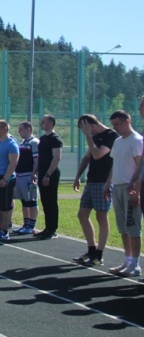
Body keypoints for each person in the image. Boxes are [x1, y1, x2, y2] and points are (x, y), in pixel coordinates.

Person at [72, 114, 118, 266]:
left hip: (103, 182)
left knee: (101, 217)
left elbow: (98, 155)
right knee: (82, 215)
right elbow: (88, 157)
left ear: (91, 126)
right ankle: (91, 250)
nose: (86, 133)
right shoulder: (95, 138)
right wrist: (78, 175)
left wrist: (88, 137)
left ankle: (99, 253)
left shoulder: (111, 136)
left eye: (86, 129)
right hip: (91, 181)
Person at [104, 109, 143, 276]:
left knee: (133, 226)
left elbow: (140, 168)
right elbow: (115, 165)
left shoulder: (137, 141)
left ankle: (135, 263)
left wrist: (137, 191)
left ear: (127, 121)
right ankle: (127, 259)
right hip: (117, 187)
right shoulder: (118, 141)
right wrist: (108, 184)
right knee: (123, 227)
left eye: (118, 124)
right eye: (113, 125)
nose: (115, 128)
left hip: (130, 187)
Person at [36, 114, 63, 240]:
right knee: (45, 201)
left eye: (44, 121)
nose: (42, 123)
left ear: (51, 123)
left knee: (51, 201)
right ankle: (47, 228)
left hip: (50, 174)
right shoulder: (43, 138)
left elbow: (56, 158)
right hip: (42, 173)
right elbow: (41, 157)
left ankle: (52, 229)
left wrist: (48, 174)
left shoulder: (55, 139)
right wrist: (35, 172)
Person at [12, 121, 39, 235]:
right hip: (19, 175)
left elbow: (37, 160)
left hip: (28, 176)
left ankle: (32, 225)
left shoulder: (34, 142)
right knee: (24, 201)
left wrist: (34, 173)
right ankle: (26, 224)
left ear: (28, 129)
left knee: (31, 200)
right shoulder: (23, 142)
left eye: (21, 129)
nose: (19, 131)